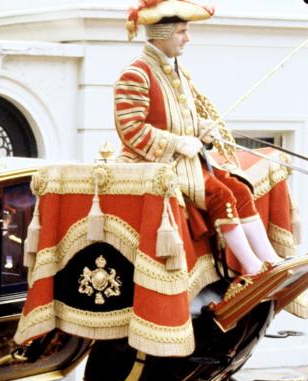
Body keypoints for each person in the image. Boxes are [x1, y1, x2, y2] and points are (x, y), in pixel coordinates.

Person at [116, 0, 284, 276]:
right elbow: (131, 129)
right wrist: (177, 142)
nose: (187, 38)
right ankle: (252, 267)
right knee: (221, 194)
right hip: (153, 165)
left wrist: (201, 129)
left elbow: (183, 117)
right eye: (182, 31)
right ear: (163, 34)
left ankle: (269, 258)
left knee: (240, 189)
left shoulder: (178, 71)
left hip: (187, 160)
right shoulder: (135, 73)